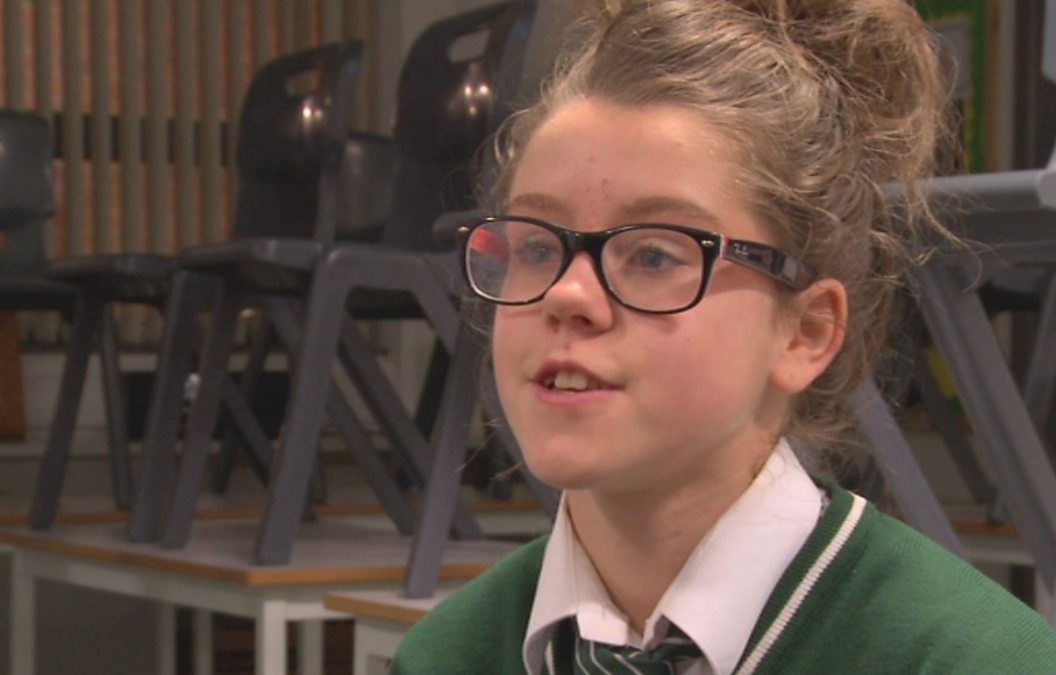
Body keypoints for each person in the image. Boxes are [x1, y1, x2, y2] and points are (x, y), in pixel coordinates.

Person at [391, 1, 1056, 673]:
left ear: (805, 332)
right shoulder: (448, 656)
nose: (567, 294)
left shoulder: (972, 659)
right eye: (537, 248)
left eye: (654, 256)